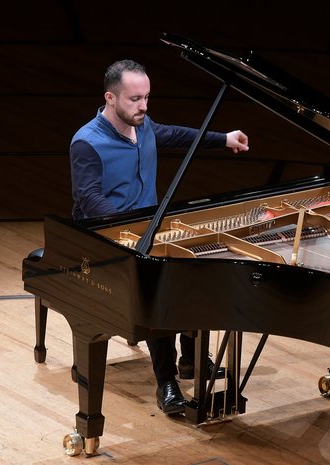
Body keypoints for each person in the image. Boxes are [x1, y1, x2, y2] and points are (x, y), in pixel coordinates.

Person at [69, 59, 249, 415]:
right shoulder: (86, 143)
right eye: (135, 99)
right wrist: (130, 230)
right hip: (107, 240)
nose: (144, 106)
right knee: (160, 290)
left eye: (147, 97)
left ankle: (192, 357)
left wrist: (223, 138)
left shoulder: (144, 126)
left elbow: (178, 135)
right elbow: (91, 200)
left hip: (152, 230)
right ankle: (166, 381)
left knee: (203, 268)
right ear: (110, 97)